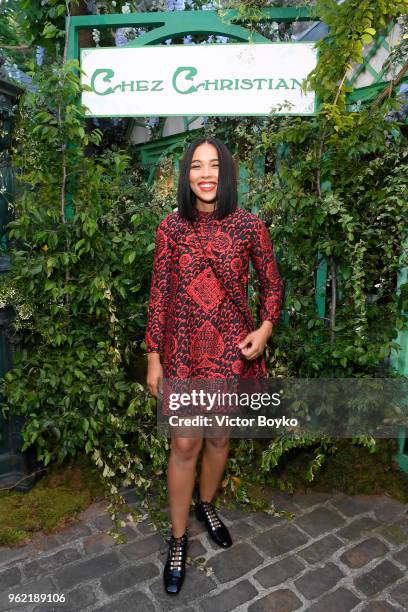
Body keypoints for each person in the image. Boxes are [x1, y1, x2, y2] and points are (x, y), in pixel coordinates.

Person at [145, 136, 283, 595]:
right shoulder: (171, 228)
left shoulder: (249, 227)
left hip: (229, 350)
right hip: (182, 349)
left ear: (226, 174)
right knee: (185, 443)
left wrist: (264, 331)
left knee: (220, 436)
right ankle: (179, 538)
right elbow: (159, 295)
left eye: (215, 167)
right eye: (196, 167)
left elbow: (273, 288)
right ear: (186, 177)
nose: (206, 175)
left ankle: (207, 505)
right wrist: (152, 355)